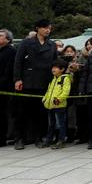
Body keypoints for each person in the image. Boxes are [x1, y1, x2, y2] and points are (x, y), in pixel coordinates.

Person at [13, 19, 58, 149]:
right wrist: (17, 79)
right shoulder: (26, 42)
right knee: (22, 111)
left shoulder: (51, 44)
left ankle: (39, 137)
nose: (47, 30)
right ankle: (19, 138)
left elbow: (55, 62)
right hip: (27, 80)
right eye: (45, 27)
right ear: (38, 28)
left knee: (41, 112)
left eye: (49, 28)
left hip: (44, 81)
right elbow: (18, 61)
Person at [40, 58, 72, 149]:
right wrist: (44, 99)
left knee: (61, 124)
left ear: (62, 69)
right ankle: (49, 140)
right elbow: (48, 91)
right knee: (51, 124)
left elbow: (66, 92)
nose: (53, 69)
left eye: (56, 67)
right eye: (52, 67)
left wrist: (59, 99)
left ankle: (61, 140)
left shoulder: (65, 78)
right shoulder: (53, 79)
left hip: (59, 106)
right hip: (50, 105)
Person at [0, 29, 17, 148]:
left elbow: (8, 72)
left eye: (0, 36)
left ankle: (0, 139)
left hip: (2, 88)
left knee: (0, 114)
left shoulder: (11, 51)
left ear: (8, 39)